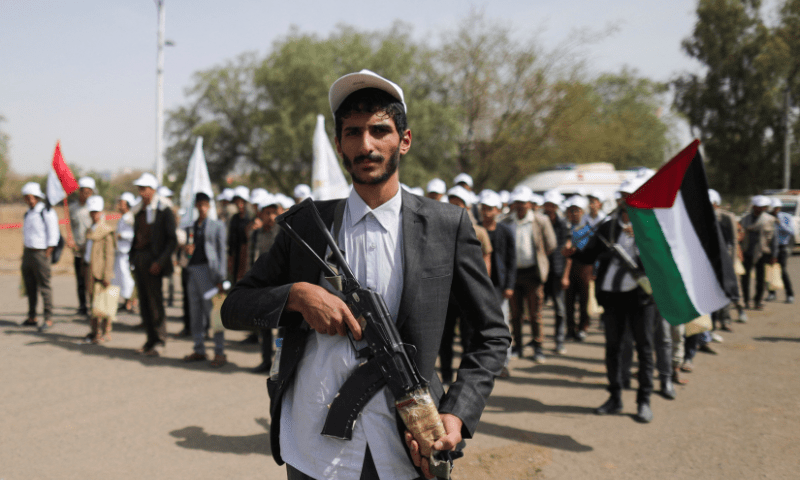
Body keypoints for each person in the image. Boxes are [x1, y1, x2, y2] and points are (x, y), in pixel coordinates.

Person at [221, 69, 510, 480]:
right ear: (339, 144)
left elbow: (492, 335)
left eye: (380, 130)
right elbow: (234, 307)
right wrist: (298, 296)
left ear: (404, 140)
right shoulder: (307, 227)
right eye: (353, 133)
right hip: (311, 445)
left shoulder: (447, 227)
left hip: (405, 446)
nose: (366, 144)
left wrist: (457, 415)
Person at [570, 177, 657, 423]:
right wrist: (575, 251)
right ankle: (615, 397)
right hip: (612, 297)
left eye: (630, 196)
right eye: (622, 197)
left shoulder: (651, 225)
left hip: (641, 298)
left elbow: (661, 259)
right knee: (613, 349)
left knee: (644, 349)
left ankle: (644, 400)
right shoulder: (608, 227)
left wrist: (641, 236)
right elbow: (590, 255)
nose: (625, 201)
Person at [437, 185, 494, 385]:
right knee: (445, 337)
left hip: (470, 292)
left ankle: (465, 379)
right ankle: (445, 375)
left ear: (467, 206)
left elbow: (487, 258)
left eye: (458, 203)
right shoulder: (440, 230)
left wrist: (482, 286)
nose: (454, 207)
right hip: (446, 293)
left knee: (470, 337)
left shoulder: (478, 231)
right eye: (451, 203)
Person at [503, 190, 556, 363]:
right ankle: (518, 345)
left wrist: (540, 259)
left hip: (533, 273)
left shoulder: (540, 221)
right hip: (513, 274)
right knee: (516, 313)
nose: (520, 205)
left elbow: (551, 244)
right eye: (517, 202)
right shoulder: (506, 221)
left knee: (535, 312)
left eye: (523, 202)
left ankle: (538, 346)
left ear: (530, 204)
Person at [130, 173, 177, 356]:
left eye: (144, 189)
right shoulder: (139, 211)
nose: (141, 193)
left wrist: (160, 261)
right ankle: (150, 340)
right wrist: (133, 258)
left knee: (155, 302)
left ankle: (160, 339)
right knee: (144, 302)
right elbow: (136, 236)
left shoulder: (164, 210)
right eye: (139, 189)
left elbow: (171, 240)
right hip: (140, 260)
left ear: (153, 190)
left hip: (155, 261)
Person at [182, 192, 228, 367]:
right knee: (195, 314)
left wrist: (222, 278)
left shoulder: (217, 226)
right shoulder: (191, 227)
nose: (201, 208)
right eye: (199, 205)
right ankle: (199, 349)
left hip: (209, 273)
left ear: (209, 206)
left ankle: (219, 351)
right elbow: (185, 252)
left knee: (214, 313)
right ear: (196, 206)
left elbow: (222, 252)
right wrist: (186, 250)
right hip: (192, 271)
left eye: (204, 205)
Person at [247, 194, 285, 374]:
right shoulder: (255, 235)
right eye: (266, 213)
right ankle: (265, 360)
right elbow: (250, 259)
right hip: (263, 285)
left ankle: (281, 360)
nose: (270, 217)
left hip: (281, 285)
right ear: (260, 214)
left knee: (281, 329)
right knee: (265, 326)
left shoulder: (283, 232)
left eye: (273, 212)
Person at [480, 190, 516, 377]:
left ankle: (503, 362)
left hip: (500, 286)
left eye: (490, 209)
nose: (486, 213)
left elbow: (511, 260)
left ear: (497, 210)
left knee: (502, 325)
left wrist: (510, 285)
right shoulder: (475, 229)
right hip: (479, 285)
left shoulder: (505, 231)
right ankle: (483, 362)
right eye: (483, 208)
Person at [20, 182, 59, 331]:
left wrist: (46, 254)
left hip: (41, 253)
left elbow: (53, 236)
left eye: (32, 198)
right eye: (27, 198)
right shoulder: (28, 213)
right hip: (28, 252)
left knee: (44, 287)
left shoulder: (46, 212)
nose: (30, 200)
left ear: (37, 198)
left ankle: (48, 318)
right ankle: (32, 316)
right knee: (30, 286)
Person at [542, 190, 571, 355]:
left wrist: (566, 275)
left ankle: (559, 340)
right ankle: (537, 341)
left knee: (559, 309)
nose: (549, 208)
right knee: (537, 309)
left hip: (558, 271)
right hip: (542, 271)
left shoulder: (563, 225)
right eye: (547, 205)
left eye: (552, 206)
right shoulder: (539, 222)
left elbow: (567, 253)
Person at [83, 195, 116, 344]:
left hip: (101, 273)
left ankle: (105, 332)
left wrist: (107, 274)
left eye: (96, 212)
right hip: (90, 270)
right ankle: (94, 331)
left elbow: (109, 255)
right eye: (92, 212)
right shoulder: (90, 230)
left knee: (103, 304)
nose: (94, 214)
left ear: (101, 212)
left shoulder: (106, 231)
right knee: (94, 304)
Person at [739, 195, 778, 310]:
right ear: (754, 206)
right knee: (745, 279)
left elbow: (774, 239)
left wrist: (774, 255)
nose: (760, 209)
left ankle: (758, 301)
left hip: (762, 253)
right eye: (758, 207)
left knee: (761, 279)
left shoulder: (770, 220)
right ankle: (746, 300)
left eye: (763, 207)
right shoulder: (744, 219)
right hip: (746, 252)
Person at [564, 196, 592, 340]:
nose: (574, 213)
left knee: (583, 300)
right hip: (567, 269)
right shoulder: (565, 228)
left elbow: (590, 249)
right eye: (571, 210)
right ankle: (570, 328)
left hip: (584, 268)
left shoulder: (587, 228)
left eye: (577, 210)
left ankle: (583, 327)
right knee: (568, 301)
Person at [67, 176, 95, 315]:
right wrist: (70, 240)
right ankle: (82, 305)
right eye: (84, 191)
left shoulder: (95, 208)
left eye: (89, 192)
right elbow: (70, 227)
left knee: (91, 278)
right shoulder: (72, 208)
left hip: (91, 249)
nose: (86, 194)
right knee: (80, 279)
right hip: (78, 249)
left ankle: (94, 305)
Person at [113, 193, 137, 312]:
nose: (119, 205)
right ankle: (125, 301)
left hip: (127, 253)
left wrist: (121, 235)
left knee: (127, 279)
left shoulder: (130, 218)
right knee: (121, 279)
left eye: (121, 203)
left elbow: (134, 235)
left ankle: (131, 302)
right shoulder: (123, 218)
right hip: (120, 252)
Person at [769, 198, 794, 303]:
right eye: (773, 208)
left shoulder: (786, 217)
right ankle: (772, 293)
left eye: (777, 208)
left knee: (782, 270)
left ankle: (790, 294)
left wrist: (780, 224)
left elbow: (791, 231)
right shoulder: (768, 217)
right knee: (771, 271)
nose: (775, 210)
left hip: (782, 246)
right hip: (770, 247)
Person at [227, 185, 251, 283]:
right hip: (235, 254)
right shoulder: (235, 218)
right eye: (237, 202)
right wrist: (230, 258)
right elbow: (231, 239)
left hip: (246, 256)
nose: (239, 204)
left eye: (241, 202)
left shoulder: (250, 219)